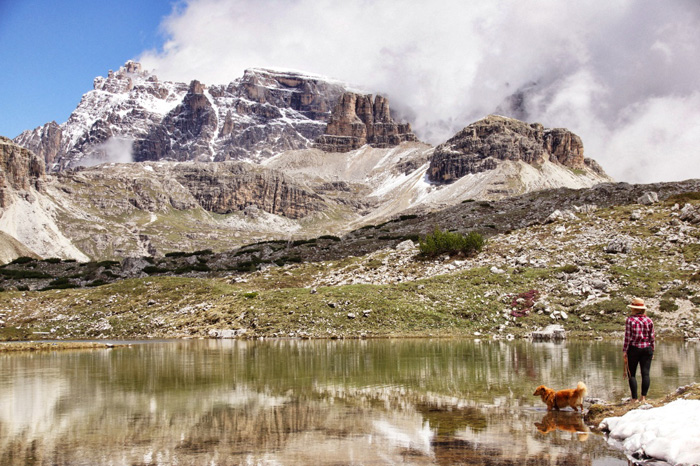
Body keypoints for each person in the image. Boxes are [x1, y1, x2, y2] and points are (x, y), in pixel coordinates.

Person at [623, 297, 655, 403]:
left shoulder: (630, 320)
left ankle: (634, 398)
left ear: (634, 309)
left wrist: (625, 351)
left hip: (634, 348)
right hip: (647, 348)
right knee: (645, 373)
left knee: (632, 374)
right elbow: (652, 337)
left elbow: (628, 337)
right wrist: (652, 350)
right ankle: (643, 397)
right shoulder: (649, 320)